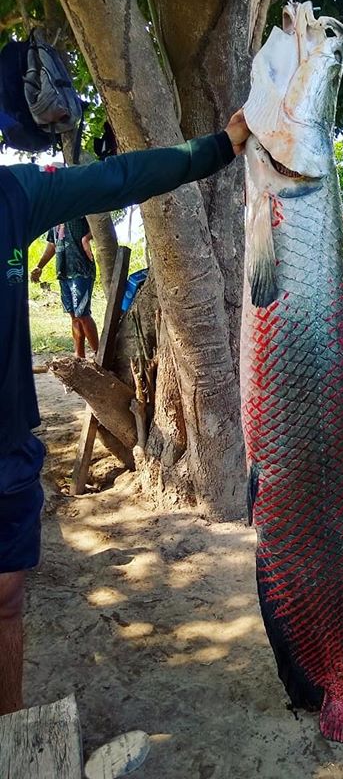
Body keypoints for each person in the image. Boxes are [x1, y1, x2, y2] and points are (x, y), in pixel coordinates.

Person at [0, 109, 250, 715]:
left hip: (5, 447)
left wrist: (220, 146)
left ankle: (8, 740)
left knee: (6, 598)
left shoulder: (12, 194)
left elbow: (119, 178)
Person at [31, 217, 99, 358]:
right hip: (63, 272)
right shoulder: (55, 217)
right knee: (73, 316)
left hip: (81, 270)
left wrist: (86, 238)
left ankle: (100, 356)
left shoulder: (79, 210)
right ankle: (79, 356)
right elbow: (52, 245)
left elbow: (97, 224)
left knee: (82, 314)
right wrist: (39, 266)